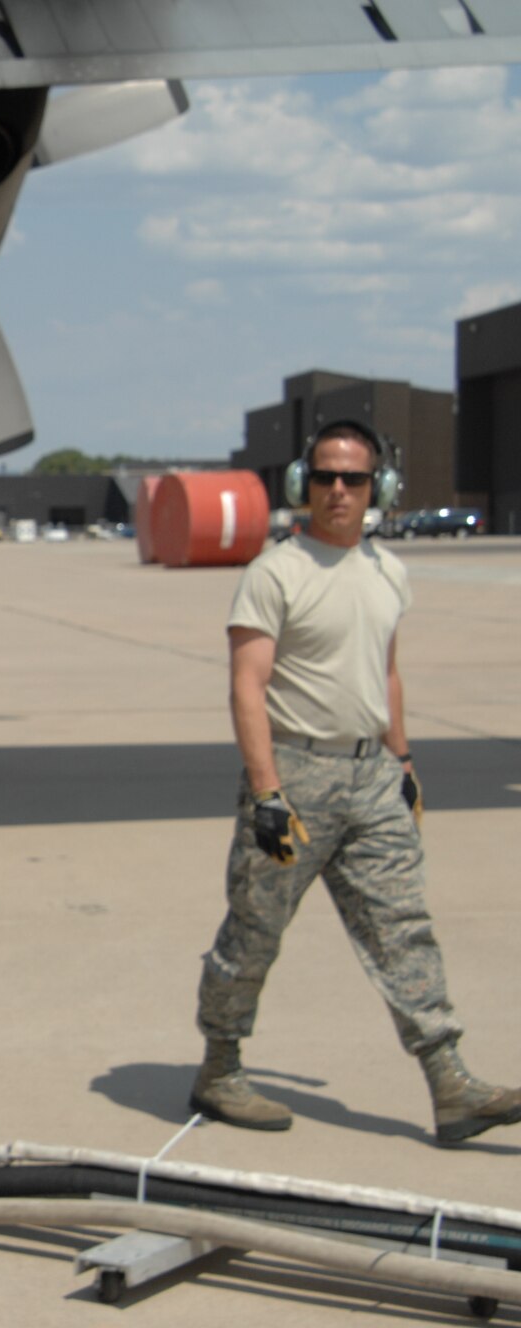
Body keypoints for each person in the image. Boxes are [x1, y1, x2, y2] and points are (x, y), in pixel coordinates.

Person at [190, 420, 521, 1144]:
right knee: (254, 932)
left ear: (381, 489)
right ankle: (219, 1067)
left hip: (371, 776)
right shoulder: (275, 572)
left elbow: (387, 671)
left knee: (403, 927)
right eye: (326, 477)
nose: (338, 491)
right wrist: (268, 791)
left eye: (355, 479)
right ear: (302, 485)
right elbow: (249, 686)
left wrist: (403, 761)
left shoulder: (387, 571)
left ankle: (450, 1081)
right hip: (295, 777)